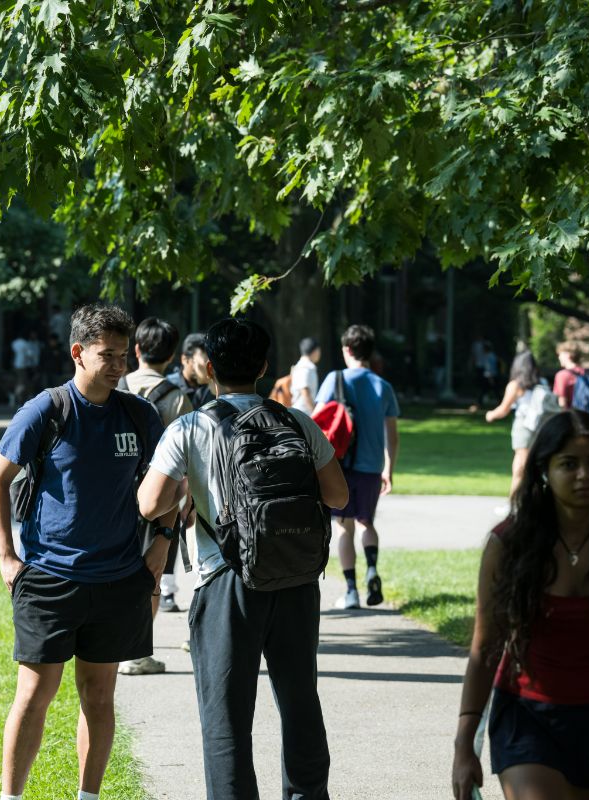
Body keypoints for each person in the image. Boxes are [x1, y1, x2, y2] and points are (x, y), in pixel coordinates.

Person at [138, 317, 347, 800]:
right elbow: (336, 497)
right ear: (265, 366)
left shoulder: (191, 427)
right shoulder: (297, 422)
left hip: (225, 580)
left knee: (226, 717)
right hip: (295, 579)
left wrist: (190, 486)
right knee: (300, 703)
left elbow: (149, 504)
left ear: (208, 367)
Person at [0, 303, 168, 800]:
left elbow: (173, 482)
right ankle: (11, 797)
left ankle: (88, 796)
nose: (118, 365)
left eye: (123, 355)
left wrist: (163, 544)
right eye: (106, 355)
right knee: (34, 695)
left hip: (118, 577)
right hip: (48, 576)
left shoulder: (140, 414)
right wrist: (6, 555)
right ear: (77, 353)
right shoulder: (47, 409)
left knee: (99, 696)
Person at [452, 410, 589, 800]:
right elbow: (485, 647)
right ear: (544, 471)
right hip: (526, 715)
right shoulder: (507, 545)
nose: (584, 475)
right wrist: (464, 744)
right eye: (569, 464)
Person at [119, 316, 194, 675]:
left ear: (136, 350)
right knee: (152, 572)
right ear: (172, 355)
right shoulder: (177, 398)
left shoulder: (115, 384)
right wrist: (186, 505)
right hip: (160, 499)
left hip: (114, 493)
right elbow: (187, 459)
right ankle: (137, 652)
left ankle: (109, 644)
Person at [313, 324, 400, 610]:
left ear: (347, 350)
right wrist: (389, 468)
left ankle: (351, 591)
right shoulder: (383, 386)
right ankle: (372, 569)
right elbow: (392, 433)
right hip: (371, 467)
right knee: (367, 522)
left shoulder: (334, 379)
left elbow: (318, 420)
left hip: (339, 464)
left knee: (344, 527)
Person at [485, 351, 560, 498]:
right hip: (541, 427)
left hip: (524, 427)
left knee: (520, 466)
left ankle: (514, 502)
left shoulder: (516, 385)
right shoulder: (543, 383)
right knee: (538, 465)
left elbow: (503, 409)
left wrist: (490, 415)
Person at [167, 332, 214, 408]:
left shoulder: (211, 387)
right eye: (203, 361)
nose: (207, 367)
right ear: (184, 359)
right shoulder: (169, 385)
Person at [289, 337, 321, 414]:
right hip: (303, 413)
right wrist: (314, 412)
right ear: (315, 351)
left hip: (299, 412)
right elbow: (305, 391)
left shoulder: (300, 366)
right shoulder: (306, 367)